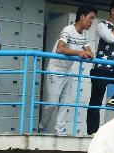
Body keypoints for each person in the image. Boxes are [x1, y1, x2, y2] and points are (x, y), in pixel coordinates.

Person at [41, 5, 97, 136]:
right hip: (55, 69)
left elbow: (89, 52)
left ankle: (59, 130)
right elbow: (60, 49)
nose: (91, 21)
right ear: (82, 17)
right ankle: (42, 126)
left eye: (93, 19)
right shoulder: (68, 29)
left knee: (65, 103)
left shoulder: (85, 34)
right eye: (90, 18)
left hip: (68, 70)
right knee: (53, 103)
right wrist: (80, 52)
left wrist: (88, 53)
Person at [87, 1, 114, 135]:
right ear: (113, 11)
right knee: (96, 100)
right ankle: (92, 132)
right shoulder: (102, 25)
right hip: (101, 68)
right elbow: (110, 38)